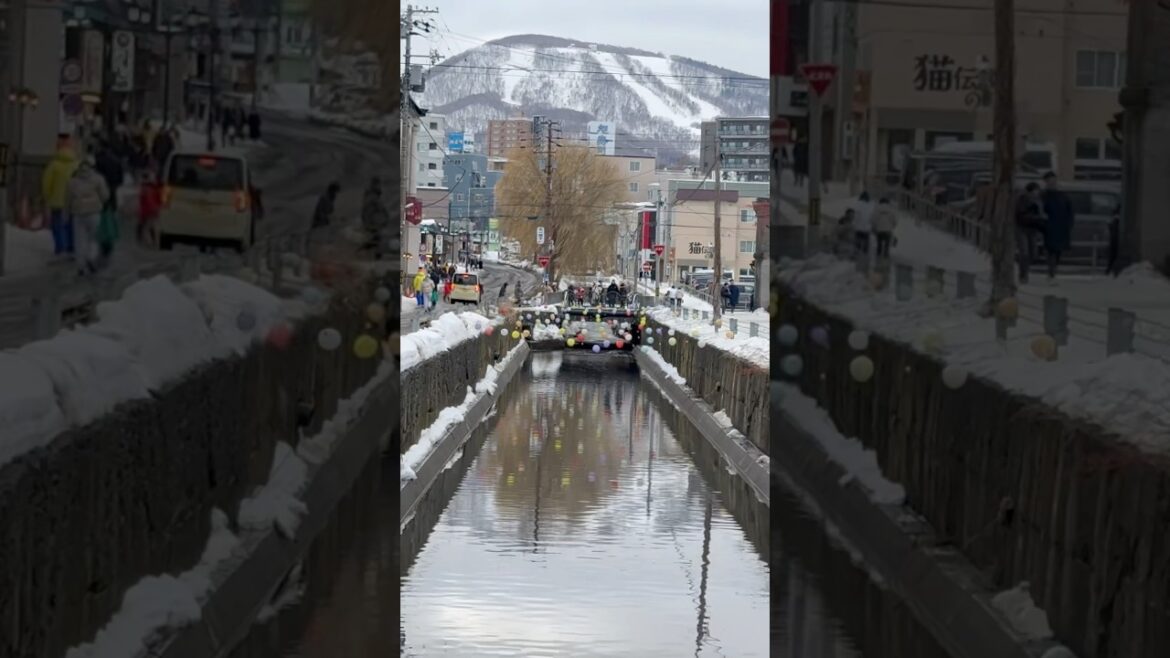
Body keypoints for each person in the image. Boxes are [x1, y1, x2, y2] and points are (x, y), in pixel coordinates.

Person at [66, 155, 110, 275]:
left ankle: (81, 265)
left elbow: (68, 199)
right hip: (94, 212)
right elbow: (105, 196)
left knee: (79, 240)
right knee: (94, 238)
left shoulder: (73, 181)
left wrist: (68, 211)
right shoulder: (98, 179)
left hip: (78, 213)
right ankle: (91, 257)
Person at [41, 142, 79, 256]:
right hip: (73, 201)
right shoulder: (76, 165)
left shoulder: (53, 166)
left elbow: (46, 183)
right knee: (71, 224)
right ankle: (71, 246)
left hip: (56, 200)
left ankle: (60, 247)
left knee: (57, 224)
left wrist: (47, 196)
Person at [1040, 172, 1074, 283]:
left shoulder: (1063, 196)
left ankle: (1053, 271)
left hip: (1061, 227)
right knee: (1050, 251)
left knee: (1058, 251)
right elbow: (1039, 210)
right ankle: (1051, 273)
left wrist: (1069, 224)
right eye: (1049, 181)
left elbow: (1070, 211)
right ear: (1046, 182)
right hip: (1049, 227)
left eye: (1053, 181)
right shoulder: (1043, 196)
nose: (1052, 183)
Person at [1014, 182, 1046, 284]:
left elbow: (1040, 213)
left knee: (1033, 253)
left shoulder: (1039, 201)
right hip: (1022, 228)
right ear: (1030, 191)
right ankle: (1023, 275)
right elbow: (1021, 215)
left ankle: (1025, 270)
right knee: (1024, 252)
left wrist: (1041, 220)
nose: (1037, 193)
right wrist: (1037, 217)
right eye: (1035, 191)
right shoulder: (1022, 200)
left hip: (1033, 229)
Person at [361, 177, 390, 259]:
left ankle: (373, 253)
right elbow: (377, 207)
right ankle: (373, 253)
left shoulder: (373, 195)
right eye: (378, 184)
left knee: (376, 238)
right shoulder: (372, 196)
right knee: (375, 238)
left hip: (374, 221)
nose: (380, 186)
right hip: (372, 221)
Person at [138, 170, 162, 247]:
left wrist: (152, 209)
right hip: (153, 210)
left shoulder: (146, 188)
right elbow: (159, 200)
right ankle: (155, 242)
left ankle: (149, 243)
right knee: (153, 226)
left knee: (146, 228)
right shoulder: (156, 187)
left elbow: (148, 200)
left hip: (148, 210)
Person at [854, 192, 875, 257]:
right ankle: (865, 255)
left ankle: (857, 255)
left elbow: (856, 217)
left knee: (858, 243)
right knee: (866, 243)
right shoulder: (870, 206)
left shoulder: (857, 204)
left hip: (858, 228)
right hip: (867, 228)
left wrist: (854, 224)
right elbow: (872, 218)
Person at [1107, 205, 1121, 277]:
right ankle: (1110, 270)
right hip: (1115, 239)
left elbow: (1111, 228)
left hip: (1114, 239)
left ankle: (1109, 270)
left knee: (1112, 256)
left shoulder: (1114, 220)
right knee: (1114, 256)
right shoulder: (1117, 220)